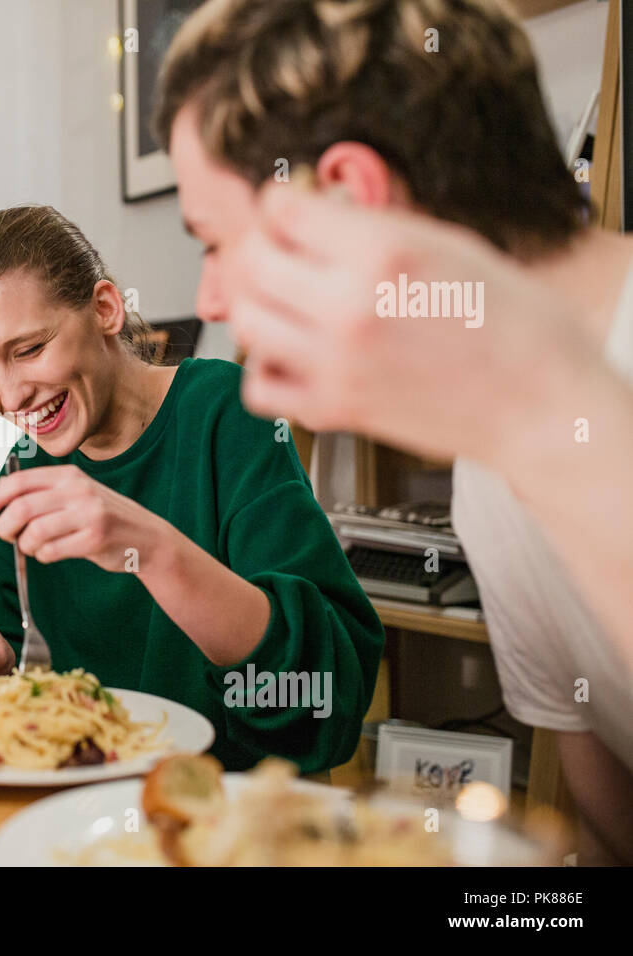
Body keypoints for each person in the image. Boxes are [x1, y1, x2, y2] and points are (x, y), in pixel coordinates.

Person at [154, 0, 633, 861]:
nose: (209, 303)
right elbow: (608, 832)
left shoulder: (528, 425)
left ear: (349, 199)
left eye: (215, 241)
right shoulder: (489, 482)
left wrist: (539, 414)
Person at [0, 205, 384, 774]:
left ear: (106, 310)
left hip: (227, 807)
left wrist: (152, 548)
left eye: (30, 349)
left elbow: (326, 699)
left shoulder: (231, 413)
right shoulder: (24, 465)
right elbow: (11, 642)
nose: (10, 396)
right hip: (85, 803)